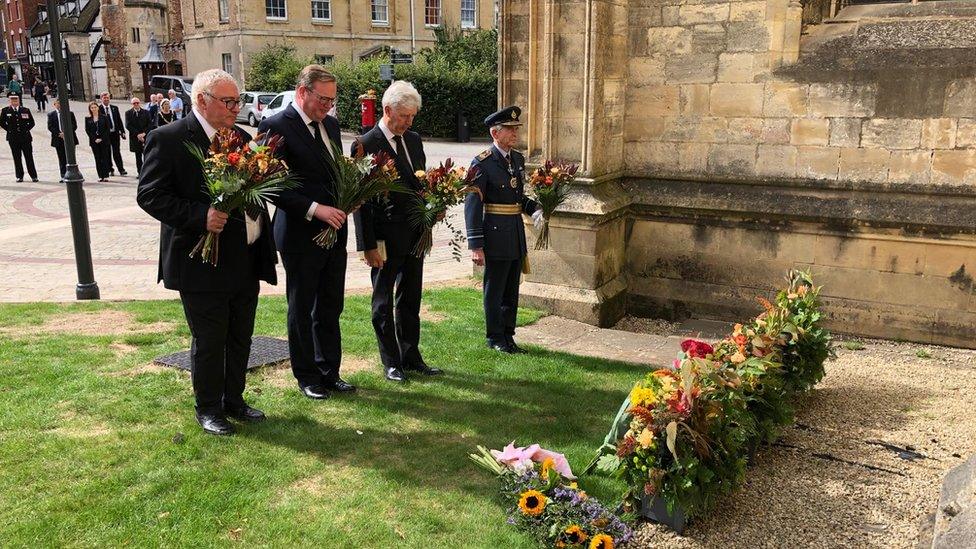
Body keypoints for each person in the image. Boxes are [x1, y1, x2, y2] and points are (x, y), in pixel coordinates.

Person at [136, 69, 278, 436]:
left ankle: (235, 400)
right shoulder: (168, 139)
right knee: (211, 339)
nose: (236, 108)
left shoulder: (243, 139)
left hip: (245, 258)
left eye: (238, 101)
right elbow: (150, 195)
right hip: (201, 260)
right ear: (202, 101)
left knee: (241, 335)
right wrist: (201, 216)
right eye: (229, 102)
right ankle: (209, 407)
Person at [258, 65, 352, 400]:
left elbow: (333, 174)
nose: (328, 106)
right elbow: (269, 186)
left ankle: (330, 371)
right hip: (300, 233)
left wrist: (345, 199)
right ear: (303, 92)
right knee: (302, 307)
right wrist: (316, 209)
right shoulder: (275, 126)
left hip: (335, 231)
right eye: (323, 99)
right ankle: (307, 376)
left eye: (332, 100)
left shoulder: (331, 125)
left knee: (330, 305)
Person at [352, 81, 441, 383]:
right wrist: (367, 245)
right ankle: (391, 361)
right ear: (387, 110)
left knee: (410, 297)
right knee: (383, 300)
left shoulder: (413, 140)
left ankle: (410, 354)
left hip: (415, 234)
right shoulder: (366, 142)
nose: (408, 122)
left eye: (412, 116)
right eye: (404, 116)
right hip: (384, 239)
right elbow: (360, 200)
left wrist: (434, 203)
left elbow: (421, 183)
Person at [464, 106, 542, 354]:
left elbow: (517, 197)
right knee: (495, 288)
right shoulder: (482, 162)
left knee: (511, 287)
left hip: (515, 233)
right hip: (495, 234)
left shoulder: (517, 159)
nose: (514, 134)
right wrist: (476, 245)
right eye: (509, 129)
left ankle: (509, 335)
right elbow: (473, 205)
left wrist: (536, 208)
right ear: (495, 133)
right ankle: (495, 337)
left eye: (515, 129)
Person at [0, 95, 38, 182]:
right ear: (10, 101)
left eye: (16, 100)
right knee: (17, 157)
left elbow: (32, 122)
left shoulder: (25, 110)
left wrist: (26, 130)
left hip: (25, 138)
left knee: (29, 157)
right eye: (12, 101)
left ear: (19, 101)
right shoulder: (6, 111)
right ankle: (19, 176)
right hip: (13, 138)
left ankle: (33, 176)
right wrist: (9, 130)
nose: (14, 102)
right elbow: (1, 122)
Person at [48, 99, 78, 180]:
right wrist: (59, 133)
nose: (59, 105)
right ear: (54, 104)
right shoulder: (51, 114)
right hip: (58, 139)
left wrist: (66, 133)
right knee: (61, 158)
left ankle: (73, 173)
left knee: (71, 157)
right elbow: (50, 127)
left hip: (70, 138)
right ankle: (63, 175)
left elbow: (74, 125)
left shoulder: (70, 113)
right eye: (57, 103)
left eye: (61, 103)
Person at [98, 92, 127, 176]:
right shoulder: (99, 109)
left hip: (115, 133)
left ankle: (121, 169)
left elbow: (119, 120)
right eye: (104, 98)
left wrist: (122, 131)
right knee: (107, 152)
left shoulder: (114, 108)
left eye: (107, 98)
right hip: (105, 135)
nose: (106, 99)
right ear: (101, 99)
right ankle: (110, 169)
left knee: (117, 151)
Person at [85, 101, 112, 182]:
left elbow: (107, 129)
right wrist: (94, 139)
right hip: (94, 141)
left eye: (95, 107)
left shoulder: (104, 117)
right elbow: (87, 130)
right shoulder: (87, 118)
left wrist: (101, 138)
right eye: (92, 108)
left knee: (105, 157)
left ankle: (106, 175)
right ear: (90, 109)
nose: (94, 109)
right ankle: (100, 175)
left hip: (104, 140)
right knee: (97, 158)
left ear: (98, 108)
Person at [125, 97, 151, 174]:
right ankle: (140, 173)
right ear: (132, 104)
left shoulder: (146, 112)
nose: (136, 104)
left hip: (145, 136)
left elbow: (150, 124)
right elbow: (128, 125)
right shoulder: (128, 113)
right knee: (138, 157)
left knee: (147, 156)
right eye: (134, 103)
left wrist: (144, 133)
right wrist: (138, 134)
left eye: (137, 103)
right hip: (135, 137)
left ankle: (148, 172)